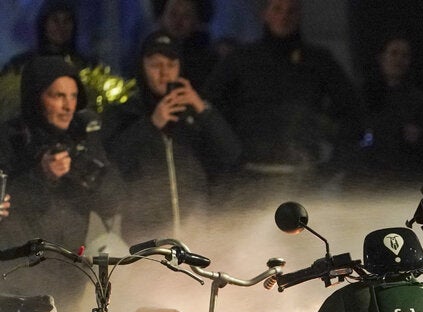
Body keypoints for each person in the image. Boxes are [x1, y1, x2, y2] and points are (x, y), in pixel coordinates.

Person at [0, 55, 123, 312]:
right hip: (16, 276)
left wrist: (86, 173)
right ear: (35, 97)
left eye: (73, 96)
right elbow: (11, 206)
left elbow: (114, 200)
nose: (68, 106)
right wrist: (41, 176)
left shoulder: (82, 140)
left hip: (67, 278)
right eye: (57, 96)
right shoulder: (10, 138)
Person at [202, 0, 362, 192]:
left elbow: (352, 110)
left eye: (291, 11)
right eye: (277, 9)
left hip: (302, 176)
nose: (284, 17)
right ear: (265, 13)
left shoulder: (318, 61)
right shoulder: (241, 59)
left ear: (299, 15)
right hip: (249, 175)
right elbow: (209, 108)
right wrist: (227, 159)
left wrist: (332, 165)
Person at [101, 30, 241, 242]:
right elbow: (113, 164)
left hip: (197, 234)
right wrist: (151, 125)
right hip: (144, 239)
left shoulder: (195, 113)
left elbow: (231, 154)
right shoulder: (124, 114)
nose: (164, 73)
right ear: (142, 67)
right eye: (156, 65)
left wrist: (202, 109)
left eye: (171, 65)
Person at [356, 35, 423, 179]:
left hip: (402, 178)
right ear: (382, 58)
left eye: (404, 55)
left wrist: (419, 138)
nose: (398, 60)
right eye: (393, 53)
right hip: (368, 178)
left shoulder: (418, 101)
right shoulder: (365, 96)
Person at [1, 0, 95, 74]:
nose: (61, 27)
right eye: (55, 20)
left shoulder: (88, 68)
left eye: (67, 20)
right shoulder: (20, 66)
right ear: (44, 24)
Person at [155, 0, 219, 87]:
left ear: (197, 21)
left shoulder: (208, 61)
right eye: (173, 14)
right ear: (162, 17)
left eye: (186, 16)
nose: (178, 21)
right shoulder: (147, 53)